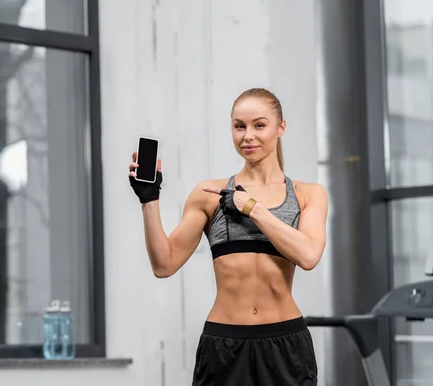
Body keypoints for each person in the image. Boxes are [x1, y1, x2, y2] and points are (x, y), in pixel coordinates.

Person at [128, 87, 328, 385]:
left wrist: (252, 208)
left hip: (284, 343)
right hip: (224, 344)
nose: (248, 135)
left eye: (260, 125)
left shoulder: (307, 194)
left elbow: (309, 255)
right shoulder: (208, 193)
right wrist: (149, 199)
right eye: (239, 126)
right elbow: (164, 264)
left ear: (280, 127)